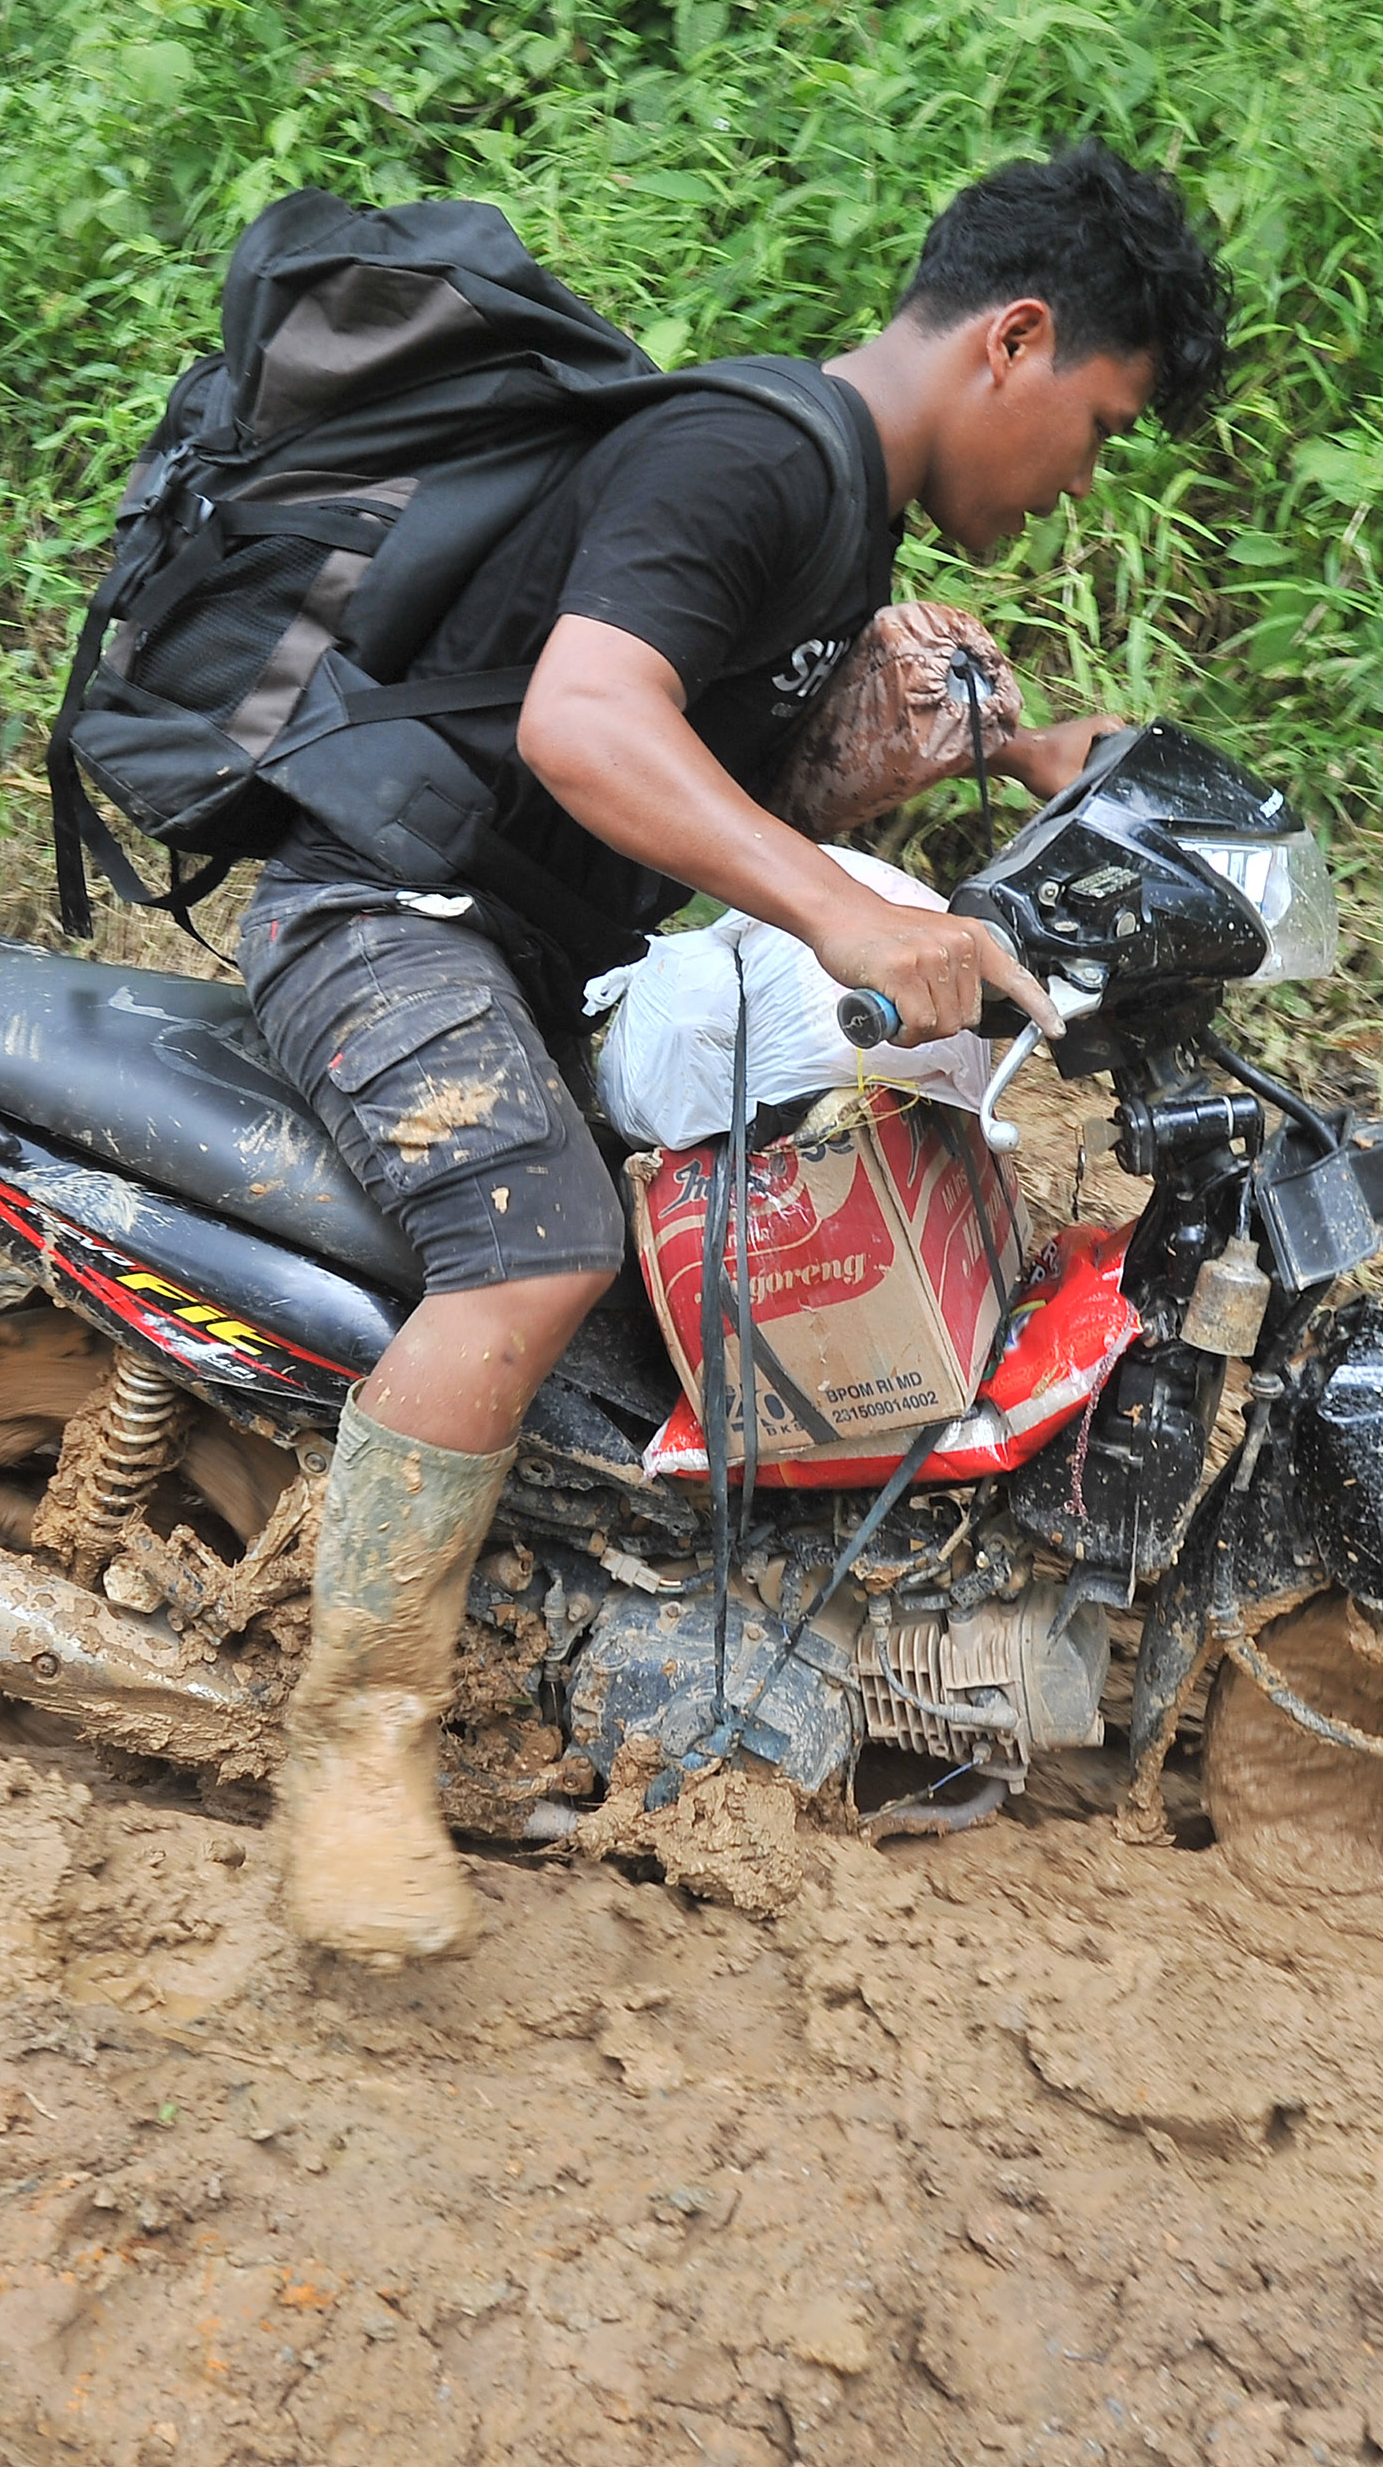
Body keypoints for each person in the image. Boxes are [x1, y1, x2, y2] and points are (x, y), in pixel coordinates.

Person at [246, 141, 1228, 1963]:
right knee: (539, 1244)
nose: (1083, 481)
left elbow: (712, 795)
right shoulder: (759, 451)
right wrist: (855, 918)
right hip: (384, 921)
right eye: (1097, 427)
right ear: (1014, 340)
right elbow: (583, 718)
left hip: (532, 958)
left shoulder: (840, 517)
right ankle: (353, 1743)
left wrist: (982, 764)